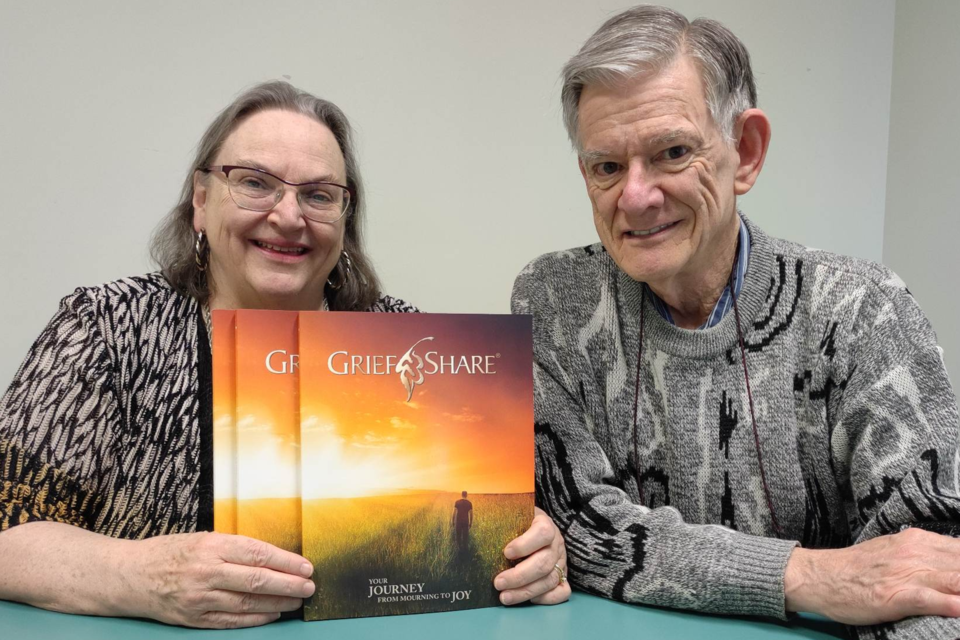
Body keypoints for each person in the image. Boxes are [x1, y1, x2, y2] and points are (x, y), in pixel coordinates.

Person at [0, 81, 569, 628]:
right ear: (201, 200)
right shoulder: (108, 328)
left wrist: (530, 548)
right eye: (255, 182)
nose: (289, 216)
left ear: (345, 221)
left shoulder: (406, 339)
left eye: (319, 195)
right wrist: (139, 576)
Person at [512, 6, 960, 639]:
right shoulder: (555, 300)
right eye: (606, 166)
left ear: (745, 152)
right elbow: (583, 528)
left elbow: (930, 569)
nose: (635, 197)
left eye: (671, 152)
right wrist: (809, 576)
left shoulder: (863, 309)